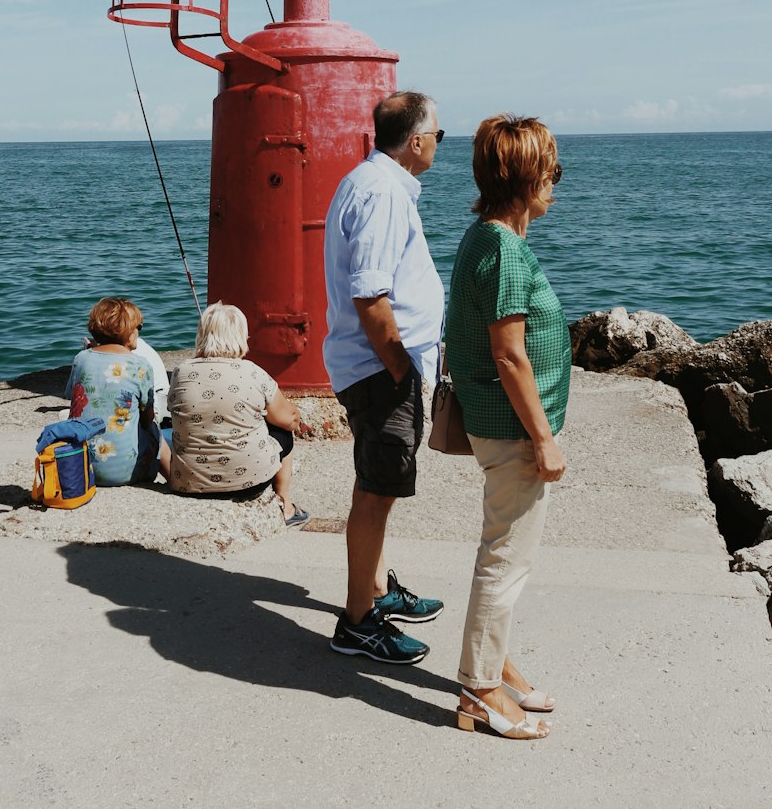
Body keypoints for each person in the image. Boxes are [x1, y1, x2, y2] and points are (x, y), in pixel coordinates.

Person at [444, 114, 571, 741]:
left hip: (499, 421)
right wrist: (544, 437)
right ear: (525, 177)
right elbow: (510, 353)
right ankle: (480, 688)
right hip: (512, 428)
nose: (556, 181)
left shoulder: (486, 238)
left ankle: (494, 663)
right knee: (506, 557)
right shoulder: (501, 247)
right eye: (551, 169)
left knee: (507, 552)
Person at [323, 90, 446, 664]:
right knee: (377, 491)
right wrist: (400, 369)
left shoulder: (373, 183)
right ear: (416, 141)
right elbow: (371, 293)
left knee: (376, 484)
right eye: (439, 135)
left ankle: (372, 591)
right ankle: (358, 623)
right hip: (379, 367)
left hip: (372, 366)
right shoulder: (383, 192)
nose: (439, 145)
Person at [168, 302, 309, 526]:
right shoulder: (252, 372)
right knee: (282, 433)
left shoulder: (180, 372)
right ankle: (285, 505)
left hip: (187, 483)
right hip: (249, 483)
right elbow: (289, 420)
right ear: (242, 335)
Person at [66, 296, 171, 487]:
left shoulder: (81, 358)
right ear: (126, 331)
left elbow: (73, 399)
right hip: (126, 471)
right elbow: (147, 418)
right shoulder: (139, 365)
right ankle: (174, 478)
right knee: (155, 429)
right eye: (138, 327)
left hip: (80, 467)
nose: (139, 333)